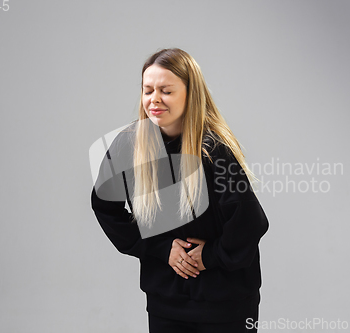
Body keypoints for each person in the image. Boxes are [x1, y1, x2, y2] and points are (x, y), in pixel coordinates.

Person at [90, 48, 269, 333]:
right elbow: (104, 206)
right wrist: (160, 249)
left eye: (166, 90)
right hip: (166, 301)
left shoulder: (214, 151)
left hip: (226, 302)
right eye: (148, 90)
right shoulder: (129, 145)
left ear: (190, 94)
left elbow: (250, 221)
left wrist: (208, 256)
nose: (154, 99)